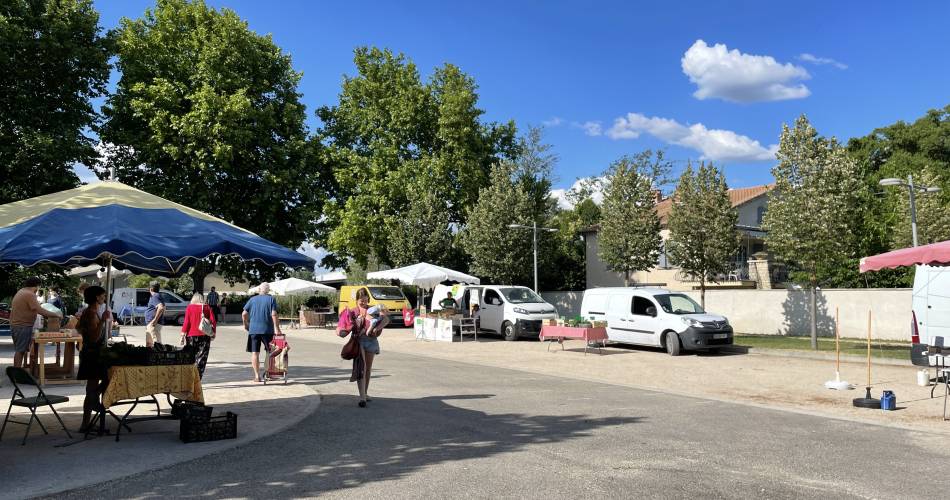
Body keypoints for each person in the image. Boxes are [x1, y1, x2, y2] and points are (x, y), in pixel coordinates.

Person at [339, 288, 387, 407]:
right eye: (361, 301)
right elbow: (343, 325)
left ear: (368, 299)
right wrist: (342, 331)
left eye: (365, 301)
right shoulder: (353, 311)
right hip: (358, 341)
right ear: (357, 300)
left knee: (368, 368)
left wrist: (377, 328)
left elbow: (386, 319)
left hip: (371, 340)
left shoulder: (373, 309)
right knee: (362, 367)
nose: (364, 304)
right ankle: (362, 397)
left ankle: (365, 392)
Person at [76, 285, 109, 433]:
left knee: (93, 388)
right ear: (97, 297)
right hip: (93, 354)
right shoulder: (91, 313)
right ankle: (85, 423)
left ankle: (87, 421)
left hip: (91, 353)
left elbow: (78, 327)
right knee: (91, 389)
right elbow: (95, 338)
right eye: (103, 295)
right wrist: (102, 321)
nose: (104, 298)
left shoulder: (89, 312)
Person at [10, 277, 63, 368]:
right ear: (37, 286)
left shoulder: (22, 291)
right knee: (20, 351)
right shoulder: (29, 294)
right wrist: (56, 315)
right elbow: (39, 310)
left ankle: (18, 371)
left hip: (18, 325)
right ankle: (16, 373)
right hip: (22, 326)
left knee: (20, 350)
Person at [242, 283, 281, 382]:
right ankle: (268, 373)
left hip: (253, 330)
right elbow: (274, 314)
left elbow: (244, 313)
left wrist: (246, 324)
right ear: (268, 290)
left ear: (259, 289)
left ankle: (257, 376)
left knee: (255, 353)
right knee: (270, 352)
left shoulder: (252, 299)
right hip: (267, 330)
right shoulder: (271, 299)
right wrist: (277, 329)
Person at [180, 292, 216, 378]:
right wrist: (213, 333)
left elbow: (186, 322)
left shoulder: (190, 307)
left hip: (191, 335)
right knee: (202, 356)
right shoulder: (207, 307)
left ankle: (190, 376)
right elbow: (213, 321)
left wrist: (182, 334)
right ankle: (198, 377)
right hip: (205, 335)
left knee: (191, 356)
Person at [144, 282, 165, 347]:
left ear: (151, 288)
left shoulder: (155, 296)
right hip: (152, 323)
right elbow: (163, 308)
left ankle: (159, 356)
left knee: (156, 345)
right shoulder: (157, 295)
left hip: (153, 324)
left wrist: (155, 320)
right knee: (149, 344)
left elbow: (161, 307)